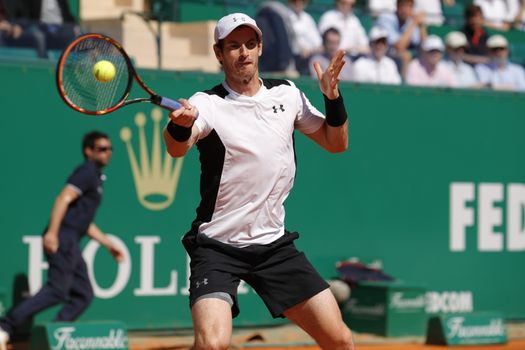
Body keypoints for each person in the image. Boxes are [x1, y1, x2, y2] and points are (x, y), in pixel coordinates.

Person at [163, 12, 355, 350]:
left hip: (274, 246)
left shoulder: (287, 94)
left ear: (260, 48)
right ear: (218, 53)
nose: (244, 53)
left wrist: (333, 98)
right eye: (234, 46)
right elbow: (176, 148)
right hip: (218, 247)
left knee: (340, 340)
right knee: (212, 345)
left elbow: (335, 143)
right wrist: (180, 125)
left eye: (250, 44)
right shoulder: (206, 103)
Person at [0, 131, 124, 350]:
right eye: (102, 149)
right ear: (89, 151)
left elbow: (85, 223)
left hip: (72, 240)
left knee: (83, 294)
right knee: (57, 290)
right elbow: (63, 198)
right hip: (63, 237)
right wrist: (52, 233)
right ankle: (5, 327)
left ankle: (53, 335)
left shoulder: (96, 177)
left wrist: (107, 244)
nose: (108, 153)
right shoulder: (86, 172)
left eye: (110, 149)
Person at [375, 0, 428, 76]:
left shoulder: (411, 19)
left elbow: (425, 47)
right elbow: (399, 46)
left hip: (399, 55)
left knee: (427, 56)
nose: (405, 10)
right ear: (397, 7)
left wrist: (422, 26)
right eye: (403, 6)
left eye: (409, 6)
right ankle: (404, 86)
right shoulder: (386, 18)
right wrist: (414, 23)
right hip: (383, 54)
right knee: (405, 56)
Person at [286, 0, 323, 75]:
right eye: (295, 1)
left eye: (302, 1)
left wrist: (310, 51)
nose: (299, 4)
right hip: (293, 57)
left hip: (310, 56)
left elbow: (318, 43)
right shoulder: (285, 16)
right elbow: (289, 39)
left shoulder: (308, 18)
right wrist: (301, 49)